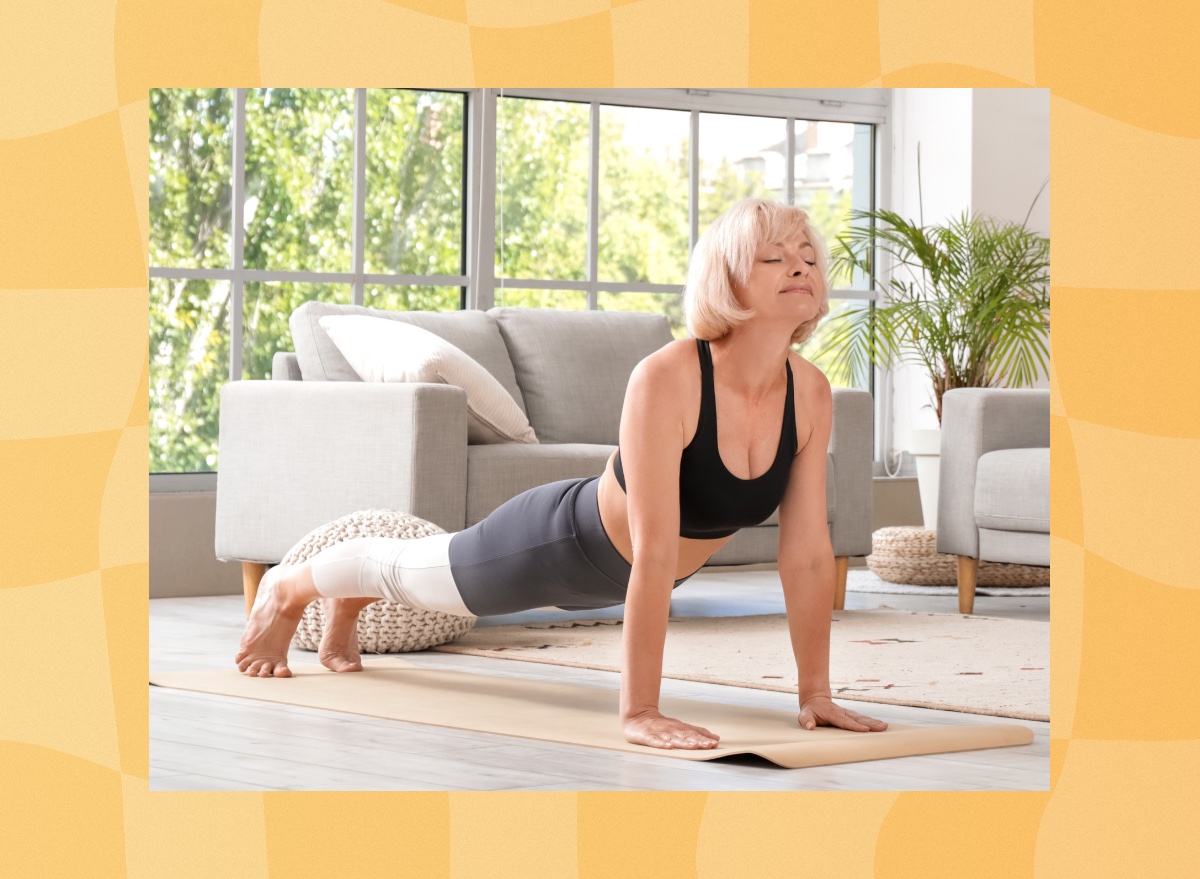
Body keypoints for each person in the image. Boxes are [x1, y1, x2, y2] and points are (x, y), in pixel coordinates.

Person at [235, 197, 889, 750]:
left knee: (419, 576)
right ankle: (290, 588)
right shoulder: (670, 377)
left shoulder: (811, 391)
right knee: (417, 572)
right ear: (728, 278)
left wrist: (816, 695)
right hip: (560, 545)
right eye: (773, 258)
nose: (799, 266)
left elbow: (805, 556)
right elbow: (655, 551)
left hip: (620, 574)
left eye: (806, 257)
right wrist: (638, 712)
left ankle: (350, 596)